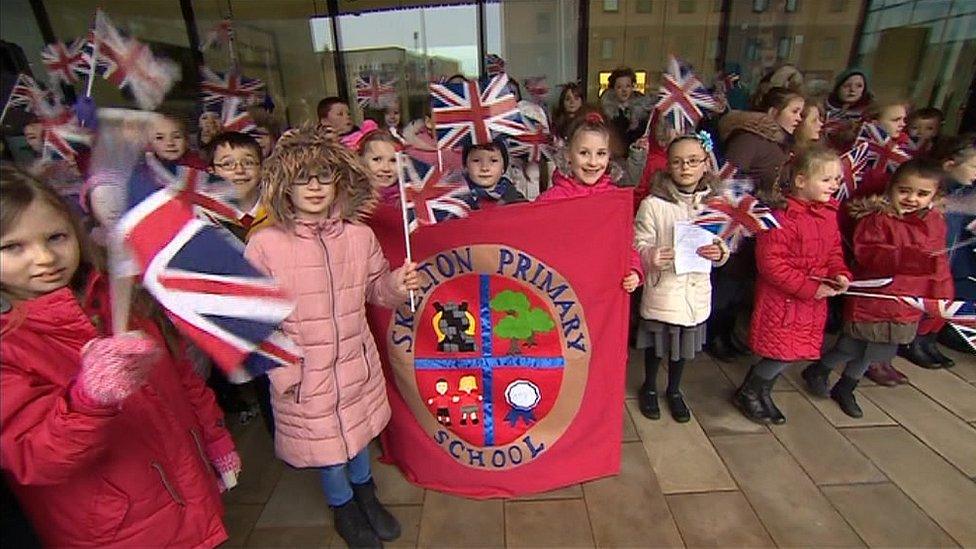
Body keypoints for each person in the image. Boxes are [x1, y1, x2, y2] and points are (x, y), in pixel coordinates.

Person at [0, 167, 238, 547]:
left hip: (188, 489)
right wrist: (88, 401)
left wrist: (215, 437)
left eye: (56, 237)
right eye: (13, 247)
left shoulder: (117, 299)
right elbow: (33, 457)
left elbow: (182, 375)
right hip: (118, 530)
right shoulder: (8, 345)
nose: (44, 257)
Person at [244, 126, 420, 548]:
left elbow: (376, 289)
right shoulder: (265, 245)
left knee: (357, 435)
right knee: (326, 450)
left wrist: (396, 284)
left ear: (341, 180)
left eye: (324, 176)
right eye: (303, 178)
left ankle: (366, 495)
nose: (315, 187)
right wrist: (286, 374)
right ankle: (343, 507)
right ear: (285, 185)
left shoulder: (359, 237)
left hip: (355, 363)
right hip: (303, 372)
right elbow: (252, 321)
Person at [803, 160, 949, 416]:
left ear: (934, 196)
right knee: (852, 345)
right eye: (904, 190)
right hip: (874, 297)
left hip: (907, 301)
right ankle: (820, 368)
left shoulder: (934, 222)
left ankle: (847, 386)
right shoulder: (878, 219)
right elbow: (868, 256)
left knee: (877, 351)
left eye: (922, 194)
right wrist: (910, 257)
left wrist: (940, 298)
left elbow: (939, 264)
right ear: (891, 188)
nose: (912, 198)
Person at [734, 145, 851, 424]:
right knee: (782, 351)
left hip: (811, 299)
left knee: (792, 350)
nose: (834, 185)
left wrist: (840, 273)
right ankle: (751, 391)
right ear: (800, 181)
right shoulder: (781, 217)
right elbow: (771, 265)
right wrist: (810, 288)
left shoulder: (827, 214)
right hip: (784, 299)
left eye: (837, 179)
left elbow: (834, 250)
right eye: (826, 179)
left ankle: (762, 390)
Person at [633, 134, 729, 422]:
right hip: (664, 288)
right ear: (668, 166)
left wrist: (719, 252)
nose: (685, 167)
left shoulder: (716, 205)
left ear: (705, 165)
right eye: (677, 162)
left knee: (682, 349)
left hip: (695, 291)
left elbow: (724, 241)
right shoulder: (653, 203)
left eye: (692, 161)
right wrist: (650, 255)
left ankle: (674, 390)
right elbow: (638, 240)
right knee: (657, 345)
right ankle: (649, 386)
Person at [537, 112, 644, 294]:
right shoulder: (550, 200)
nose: (593, 162)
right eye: (584, 153)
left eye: (601, 153)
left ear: (609, 156)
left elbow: (627, 244)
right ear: (568, 155)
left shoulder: (616, 201)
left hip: (603, 292)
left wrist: (634, 271)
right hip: (562, 291)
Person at [461, 139, 527, 210]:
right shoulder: (455, 203)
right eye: (476, 160)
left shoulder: (518, 200)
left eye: (494, 161)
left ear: (503, 168)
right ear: (465, 167)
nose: (485, 168)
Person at [600, 67, 653, 148]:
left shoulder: (643, 111)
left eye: (627, 86)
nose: (624, 90)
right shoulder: (606, 113)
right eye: (619, 87)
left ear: (632, 87)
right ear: (613, 89)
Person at [824, 69, 874, 150]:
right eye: (847, 85)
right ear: (838, 88)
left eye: (859, 86)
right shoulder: (823, 110)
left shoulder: (869, 115)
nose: (852, 90)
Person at [358, 130, 401, 204]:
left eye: (393, 160)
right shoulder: (351, 201)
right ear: (360, 161)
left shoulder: (408, 200)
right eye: (377, 159)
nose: (386, 168)